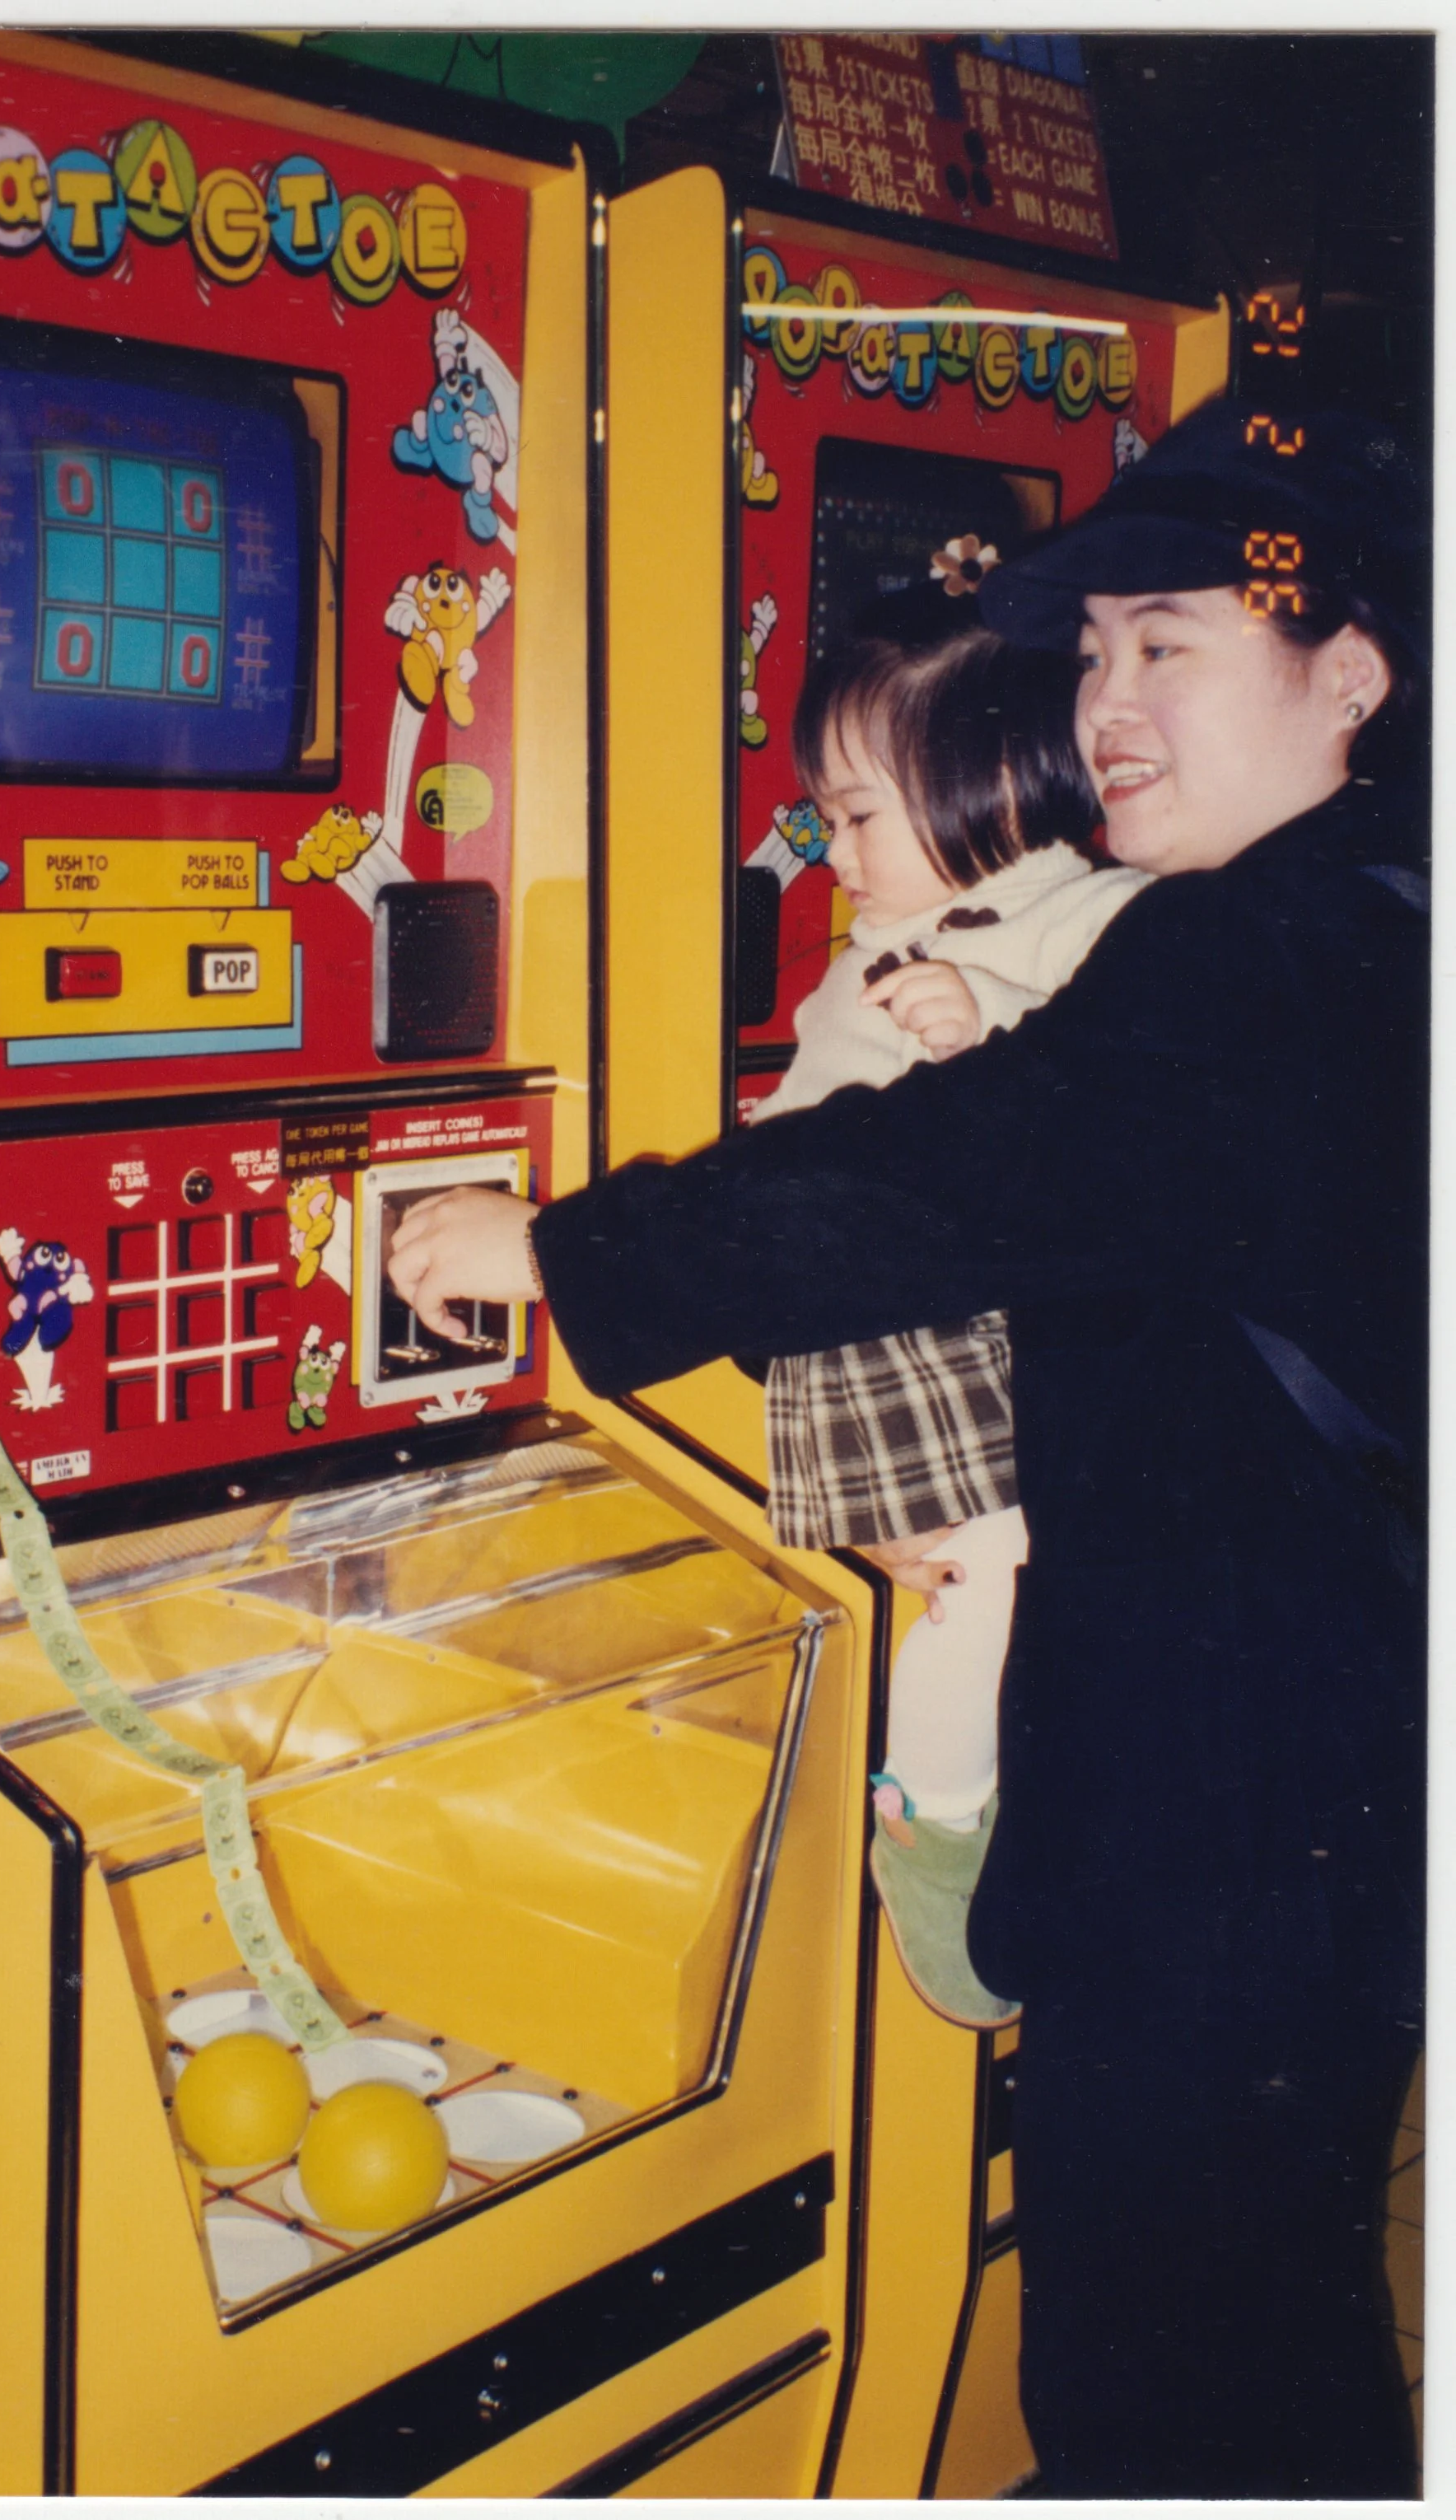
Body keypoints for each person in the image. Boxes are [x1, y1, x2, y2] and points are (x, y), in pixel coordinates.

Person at [388, 402, 1428, 2498]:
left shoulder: (1281, 945)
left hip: (1226, 1824)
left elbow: (957, 1171)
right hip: (1305, 1793)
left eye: (1175, 645)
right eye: (1098, 649)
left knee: (1166, 2378)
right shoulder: (1346, 915)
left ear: (1353, 671)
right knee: (1261, 2337)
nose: (1106, 702)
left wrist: (553, 1242)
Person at [756, 598, 1150, 2032]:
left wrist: (983, 1033)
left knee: (1005, 1582)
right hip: (875, 1334)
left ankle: (969, 1813)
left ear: (987, 787)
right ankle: (936, 1826)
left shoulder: (1098, 916)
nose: (832, 851)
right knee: (978, 1577)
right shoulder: (868, 952)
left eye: (856, 815)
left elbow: (1106, 1110)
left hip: (982, 1332)